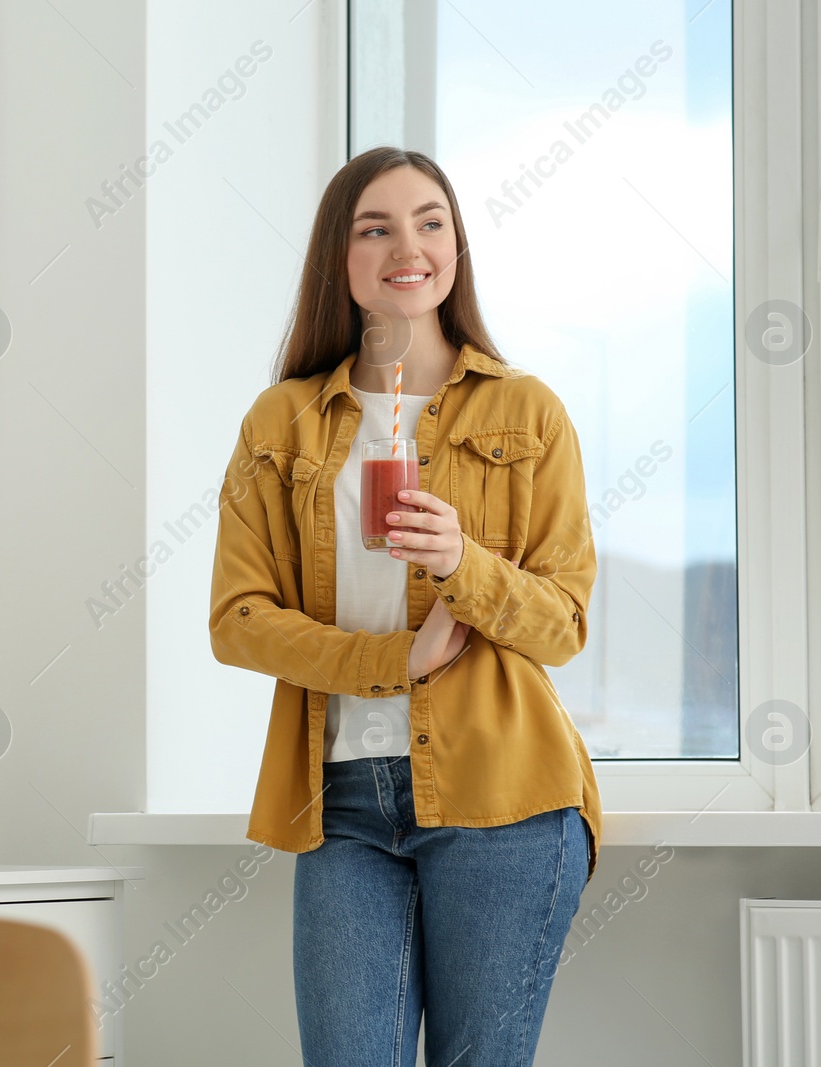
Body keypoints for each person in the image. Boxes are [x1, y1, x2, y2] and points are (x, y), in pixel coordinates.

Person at [208, 146, 601, 1066]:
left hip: (505, 799)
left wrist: (464, 563)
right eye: (373, 227)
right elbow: (237, 619)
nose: (406, 246)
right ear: (338, 260)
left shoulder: (528, 411)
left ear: (456, 249)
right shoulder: (283, 422)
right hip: (342, 801)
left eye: (430, 222)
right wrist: (392, 663)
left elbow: (565, 622)